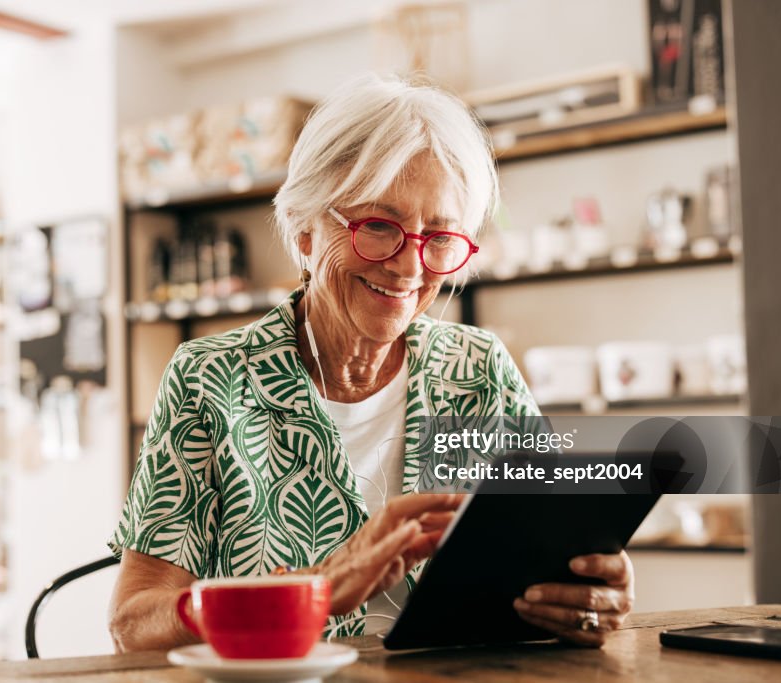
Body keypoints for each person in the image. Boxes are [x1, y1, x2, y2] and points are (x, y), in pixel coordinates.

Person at [108, 73, 634, 652]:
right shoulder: (212, 379)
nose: (409, 268)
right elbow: (134, 623)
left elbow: (549, 555)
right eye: (379, 227)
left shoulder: (478, 368)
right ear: (305, 229)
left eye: (439, 237)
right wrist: (311, 589)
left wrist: (587, 595)